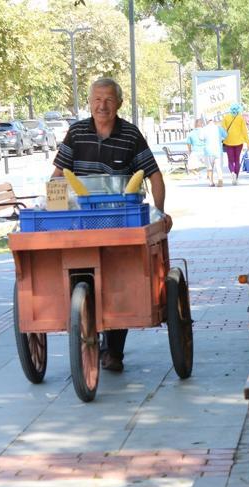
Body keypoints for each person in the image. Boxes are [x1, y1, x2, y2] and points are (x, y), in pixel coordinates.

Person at [52, 77, 172, 373]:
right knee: (80, 272)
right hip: (81, 221)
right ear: (89, 102)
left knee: (120, 279)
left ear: (118, 103)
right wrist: (53, 207)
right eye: (96, 99)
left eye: (107, 100)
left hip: (121, 221)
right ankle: (86, 327)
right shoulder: (77, 132)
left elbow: (153, 175)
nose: (101, 105)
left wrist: (160, 211)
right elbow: (58, 175)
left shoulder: (130, 134)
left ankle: (113, 351)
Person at [222, 104, 249, 185]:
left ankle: (232, 172)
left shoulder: (226, 117)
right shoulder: (240, 118)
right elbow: (244, 130)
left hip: (228, 141)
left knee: (230, 160)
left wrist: (222, 139)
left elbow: (223, 130)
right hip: (239, 142)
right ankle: (236, 177)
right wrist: (248, 142)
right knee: (237, 159)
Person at [201, 115, 227, 187]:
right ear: (214, 121)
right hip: (218, 150)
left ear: (207, 121)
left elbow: (201, 138)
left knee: (209, 167)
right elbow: (225, 135)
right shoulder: (219, 128)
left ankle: (211, 182)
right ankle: (220, 179)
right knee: (218, 166)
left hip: (208, 151)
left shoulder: (204, 129)